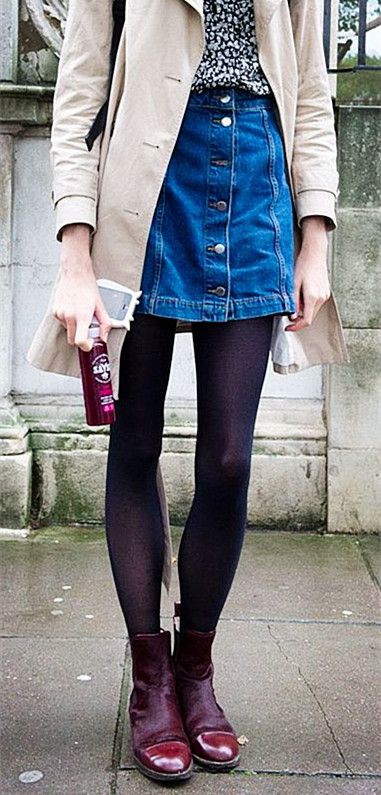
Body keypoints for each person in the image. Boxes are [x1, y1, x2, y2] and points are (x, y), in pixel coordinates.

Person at [27, 0, 347, 784]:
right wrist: (75, 256)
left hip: (256, 187)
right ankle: (149, 682)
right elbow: (80, 94)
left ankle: (194, 671)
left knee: (230, 459)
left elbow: (310, 89)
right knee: (132, 443)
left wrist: (316, 237)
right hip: (144, 191)